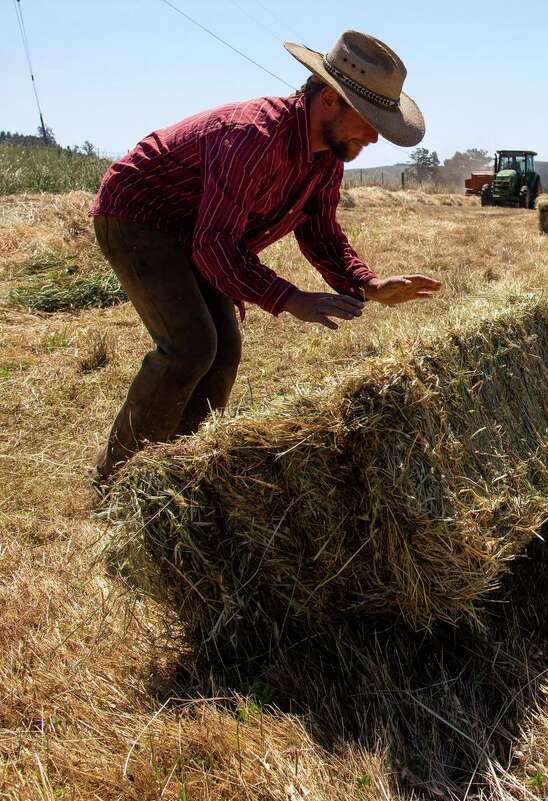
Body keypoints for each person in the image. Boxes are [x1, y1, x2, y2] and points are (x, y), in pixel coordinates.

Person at [88, 30, 441, 487]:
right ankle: (114, 479)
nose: (374, 136)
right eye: (368, 118)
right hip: (139, 216)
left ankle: (177, 477)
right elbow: (214, 245)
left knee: (224, 351)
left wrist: (368, 284)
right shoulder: (253, 138)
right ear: (329, 99)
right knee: (191, 346)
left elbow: (321, 231)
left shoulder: (326, 158)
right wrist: (289, 298)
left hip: (200, 231)